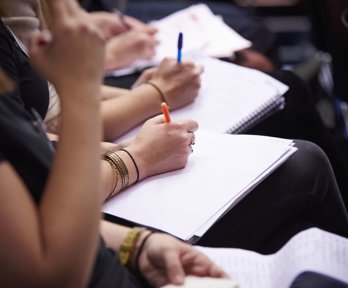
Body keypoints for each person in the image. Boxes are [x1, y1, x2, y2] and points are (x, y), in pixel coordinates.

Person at [1, 1, 348, 287]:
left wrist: (136, 245)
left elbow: (40, 129)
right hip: (91, 219)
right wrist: (134, 154)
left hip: (103, 233)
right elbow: (50, 268)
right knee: (305, 166)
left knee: (291, 108)